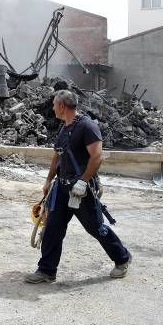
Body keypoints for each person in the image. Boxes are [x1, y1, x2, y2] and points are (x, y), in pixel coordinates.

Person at [25, 89, 132, 283]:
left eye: (54, 104)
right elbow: (57, 156)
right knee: (52, 229)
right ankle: (47, 270)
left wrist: (83, 181)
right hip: (62, 188)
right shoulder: (64, 128)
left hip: (80, 190)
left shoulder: (87, 127)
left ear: (62, 106)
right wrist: (49, 181)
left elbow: (97, 156)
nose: (52, 108)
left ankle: (122, 258)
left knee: (95, 228)